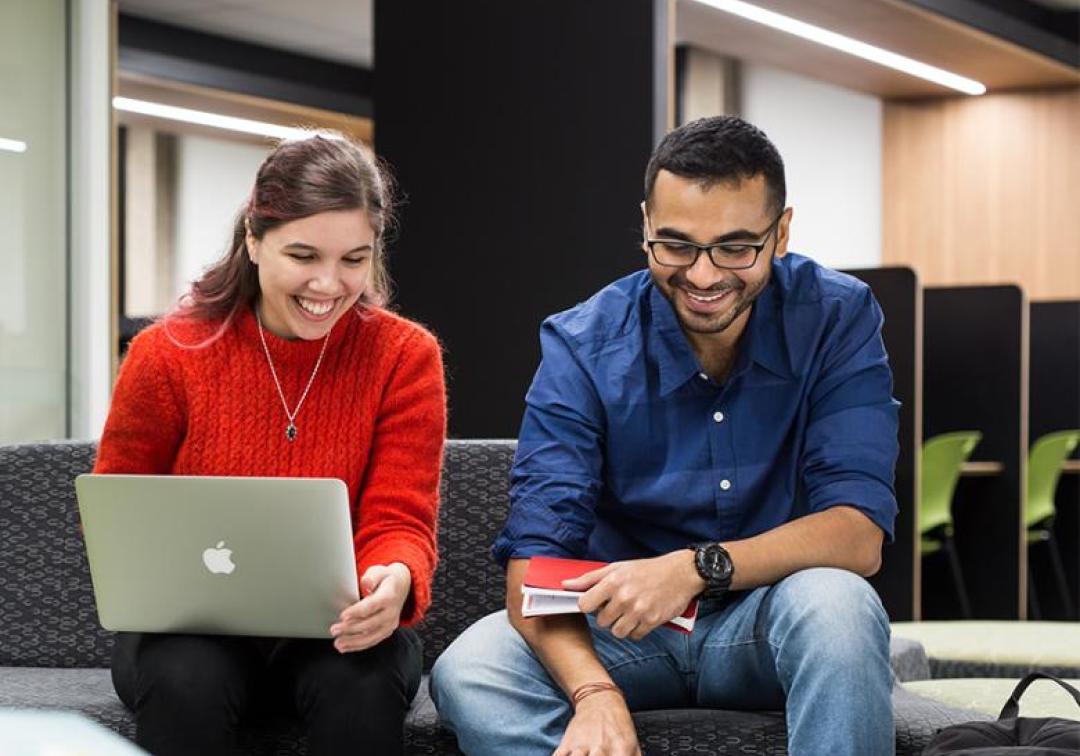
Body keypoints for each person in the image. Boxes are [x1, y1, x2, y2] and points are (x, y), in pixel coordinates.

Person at [430, 116, 898, 756]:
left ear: (781, 233)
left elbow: (858, 533)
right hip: (624, 632)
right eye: (676, 245)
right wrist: (594, 694)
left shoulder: (838, 316)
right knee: (472, 667)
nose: (703, 277)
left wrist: (695, 569)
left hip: (769, 624)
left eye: (736, 247)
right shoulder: (583, 343)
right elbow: (533, 568)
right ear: (647, 225)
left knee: (840, 607)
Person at [95, 131, 446, 756]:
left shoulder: (403, 357)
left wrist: (393, 576)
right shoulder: (166, 354)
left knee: (362, 683)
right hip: (190, 634)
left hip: (338, 628)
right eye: (304, 255)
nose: (329, 285)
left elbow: (401, 516)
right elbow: (117, 511)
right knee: (185, 680)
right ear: (253, 241)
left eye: (354, 259)